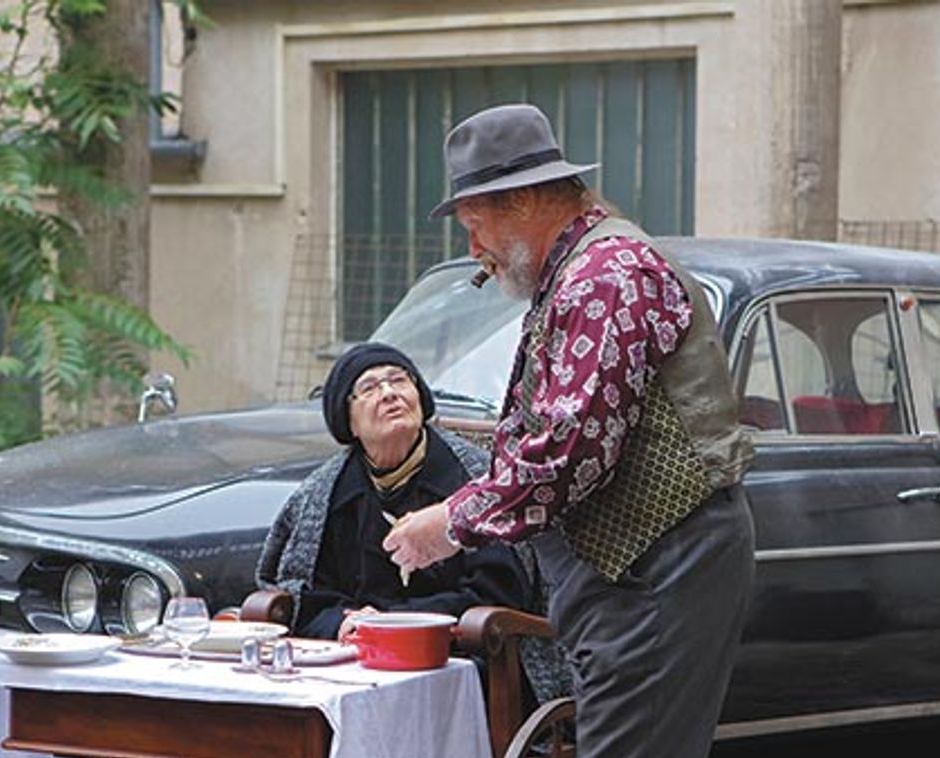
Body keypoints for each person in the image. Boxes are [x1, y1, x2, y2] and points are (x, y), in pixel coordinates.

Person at [383, 103, 757, 757]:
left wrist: (449, 522)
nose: (474, 251)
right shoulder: (583, 274)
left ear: (524, 200)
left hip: (654, 571)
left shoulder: (602, 277)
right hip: (636, 572)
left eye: (476, 225)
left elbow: (569, 450)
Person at [255, 342, 530, 641]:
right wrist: (341, 623)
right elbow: (300, 592)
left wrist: (394, 624)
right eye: (369, 388)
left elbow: (499, 589)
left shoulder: (477, 477)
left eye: (399, 380)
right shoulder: (321, 495)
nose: (389, 393)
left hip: (456, 651)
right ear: (348, 422)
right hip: (351, 652)